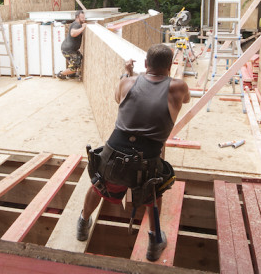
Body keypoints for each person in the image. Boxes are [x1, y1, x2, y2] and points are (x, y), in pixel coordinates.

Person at [77, 43, 191, 261]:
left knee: (99, 184)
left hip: (114, 155)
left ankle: (83, 223)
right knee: (152, 193)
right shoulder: (178, 87)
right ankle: (155, 242)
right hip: (147, 160)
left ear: (146, 63)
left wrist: (128, 73)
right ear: (170, 65)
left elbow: (120, 98)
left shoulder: (126, 82)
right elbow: (184, 99)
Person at [57, 10, 87, 79]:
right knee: (74, 67)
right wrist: (83, 27)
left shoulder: (75, 23)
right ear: (77, 17)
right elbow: (73, 33)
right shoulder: (77, 24)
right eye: (82, 18)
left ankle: (71, 75)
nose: (84, 19)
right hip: (68, 50)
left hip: (69, 49)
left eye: (84, 17)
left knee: (79, 57)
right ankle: (61, 74)